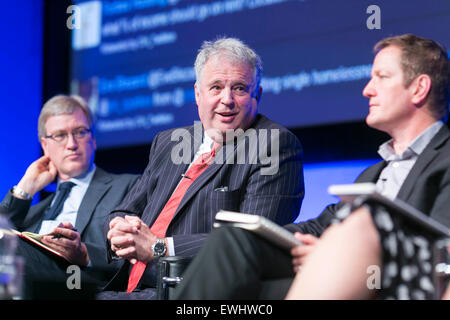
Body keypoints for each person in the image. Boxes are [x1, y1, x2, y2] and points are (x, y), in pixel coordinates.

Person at [173, 33, 450, 300]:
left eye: (382, 77)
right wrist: (263, 233)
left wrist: (339, 254)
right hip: (334, 271)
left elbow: (441, 253)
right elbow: (323, 225)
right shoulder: (374, 174)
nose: (367, 90)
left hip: (389, 284)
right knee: (235, 243)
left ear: (419, 88)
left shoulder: (445, 160)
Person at [98, 37, 304, 299]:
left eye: (239, 88)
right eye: (216, 87)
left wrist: (159, 247)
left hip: (191, 291)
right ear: (198, 94)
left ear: (257, 95)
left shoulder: (274, 144)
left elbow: (252, 242)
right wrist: (118, 229)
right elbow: (125, 210)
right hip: (120, 284)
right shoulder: (169, 142)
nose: (226, 100)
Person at [0, 95, 139, 298]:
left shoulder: (128, 186)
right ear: (45, 145)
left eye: (80, 132)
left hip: (82, 283)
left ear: (93, 139)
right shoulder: (35, 211)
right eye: (60, 135)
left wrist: (84, 253)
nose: (71, 144)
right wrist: (25, 188)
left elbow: (136, 252)